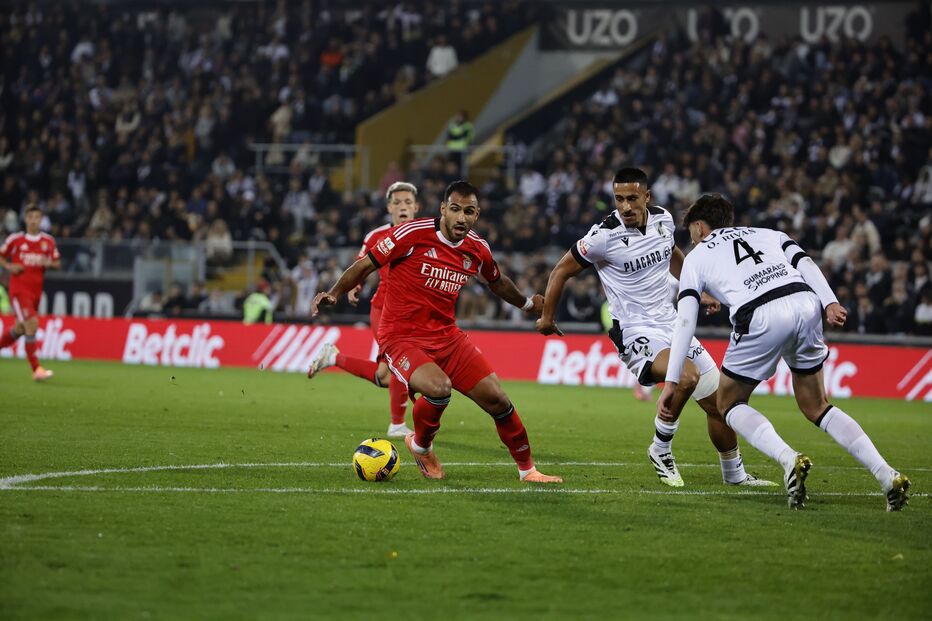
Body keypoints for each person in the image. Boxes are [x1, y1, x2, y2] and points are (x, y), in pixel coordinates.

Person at [659, 194, 910, 510]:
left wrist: (671, 380)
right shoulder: (768, 233)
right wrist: (829, 300)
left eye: (691, 231)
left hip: (760, 313)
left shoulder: (696, 257)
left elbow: (686, 318)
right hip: (805, 303)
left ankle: (789, 459)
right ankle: (888, 475)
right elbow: (804, 262)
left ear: (698, 227)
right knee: (816, 404)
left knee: (728, 403)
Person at [312, 180, 562, 483]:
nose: (461, 218)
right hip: (401, 337)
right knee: (438, 388)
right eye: (455, 209)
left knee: (498, 400)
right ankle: (422, 446)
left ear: (477, 214)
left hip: (447, 336)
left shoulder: (476, 248)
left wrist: (526, 304)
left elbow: (497, 281)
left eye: (468, 212)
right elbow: (365, 264)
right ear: (443, 208)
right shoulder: (411, 234)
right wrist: (335, 293)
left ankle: (528, 471)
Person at [538, 168, 772, 488]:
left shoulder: (663, 219)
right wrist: (548, 317)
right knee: (686, 376)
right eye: (619, 199)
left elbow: (673, 255)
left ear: (647, 197)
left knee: (723, 405)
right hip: (635, 331)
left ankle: (735, 475)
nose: (625, 207)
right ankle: (660, 447)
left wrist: (698, 290)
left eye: (632, 198)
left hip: (672, 322)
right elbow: (561, 270)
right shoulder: (603, 236)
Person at [308, 181, 420, 438]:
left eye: (407, 202)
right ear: (389, 207)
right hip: (384, 310)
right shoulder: (375, 236)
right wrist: (354, 286)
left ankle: (333, 358)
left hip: (413, 313)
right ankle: (397, 425)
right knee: (401, 365)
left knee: (384, 376)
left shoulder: (424, 232)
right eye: (397, 202)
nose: (402, 207)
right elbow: (360, 265)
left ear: (416, 207)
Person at [0, 205, 60, 380]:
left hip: (36, 292)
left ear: (41, 219)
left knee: (20, 328)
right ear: (25, 219)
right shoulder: (16, 240)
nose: (34, 220)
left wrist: (48, 263)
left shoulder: (48, 241)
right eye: (30, 217)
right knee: (32, 324)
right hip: (19, 290)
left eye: (37, 217)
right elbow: (1, 255)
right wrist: (9, 266)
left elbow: (57, 263)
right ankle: (36, 369)